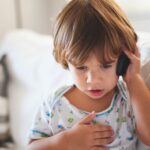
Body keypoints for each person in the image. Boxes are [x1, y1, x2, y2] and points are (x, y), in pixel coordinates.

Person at [27, 0, 150, 150]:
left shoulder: (129, 98)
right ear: (66, 61)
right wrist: (66, 141)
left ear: (123, 59)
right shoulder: (55, 104)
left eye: (105, 66)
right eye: (81, 67)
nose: (93, 80)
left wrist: (134, 79)